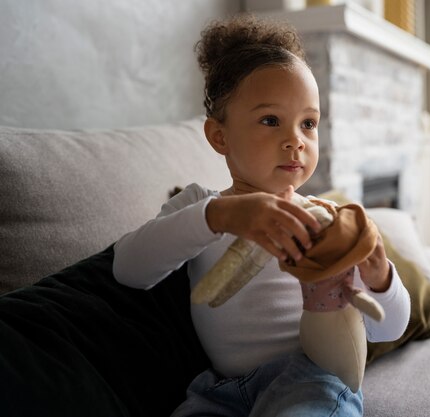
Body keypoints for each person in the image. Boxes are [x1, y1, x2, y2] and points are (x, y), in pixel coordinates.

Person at [113, 13, 410, 417]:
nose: (296, 141)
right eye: (271, 121)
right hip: (217, 390)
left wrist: (380, 277)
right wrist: (219, 216)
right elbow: (129, 269)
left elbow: (389, 327)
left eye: (309, 123)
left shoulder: (325, 221)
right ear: (220, 136)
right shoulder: (204, 206)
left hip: (312, 378)